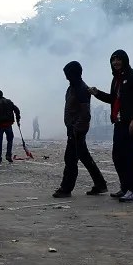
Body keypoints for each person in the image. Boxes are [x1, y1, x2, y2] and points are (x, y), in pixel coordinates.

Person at [89, 50, 133, 202]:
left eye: (118, 59)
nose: (115, 62)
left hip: (130, 123)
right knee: (118, 156)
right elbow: (113, 99)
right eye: (113, 60)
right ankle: (125, 187)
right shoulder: (116, 80)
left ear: (125, 60)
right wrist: (97, 93)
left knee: (130, 157)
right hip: (119, 122)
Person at [53, 61, 107, 198]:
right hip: (73, 129)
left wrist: (75, 129)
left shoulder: (81, 89)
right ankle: (100, 184)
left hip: (77, 131)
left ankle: (66, 188)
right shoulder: (72, 87)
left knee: (70, 159)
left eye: (68, 74)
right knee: (84, 157)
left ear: (75, 74)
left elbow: (85, 113)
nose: (66, 77)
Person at [0, 90, 21, 164]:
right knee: (10, 140)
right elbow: (16, 110)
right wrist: (18, 119)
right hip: (8, 124)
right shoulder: (9, 101)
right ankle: (8, 155)